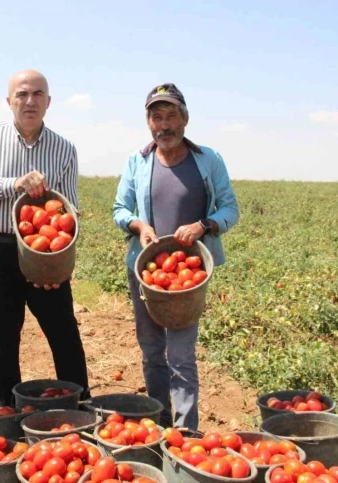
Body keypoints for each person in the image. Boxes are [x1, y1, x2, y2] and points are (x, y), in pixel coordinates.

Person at [0, 69, 89, 408]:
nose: (30, 101)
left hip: (44, 251)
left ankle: (81, 408)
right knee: (4, 339)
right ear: (9, 100)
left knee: (64, 334)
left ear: (48, 101)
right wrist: (13, 183)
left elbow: (68, 213)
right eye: (22, 94)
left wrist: (56, 264)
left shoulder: (63, 149)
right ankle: (8, 414)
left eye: (38, 94)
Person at [112, 83, 240, 429]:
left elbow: (230, 208)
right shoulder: (137, 161)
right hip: (146, 271)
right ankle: (158, 420)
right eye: (157, 117)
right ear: (148, 122)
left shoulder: (208, 160)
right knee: (152, 351)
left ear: (185, 119)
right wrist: (138, 225)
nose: (164, 124)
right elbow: (119, 209)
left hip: (190, 273)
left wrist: (205, 225)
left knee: (181, 356)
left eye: (171, 116)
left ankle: (185, 432)